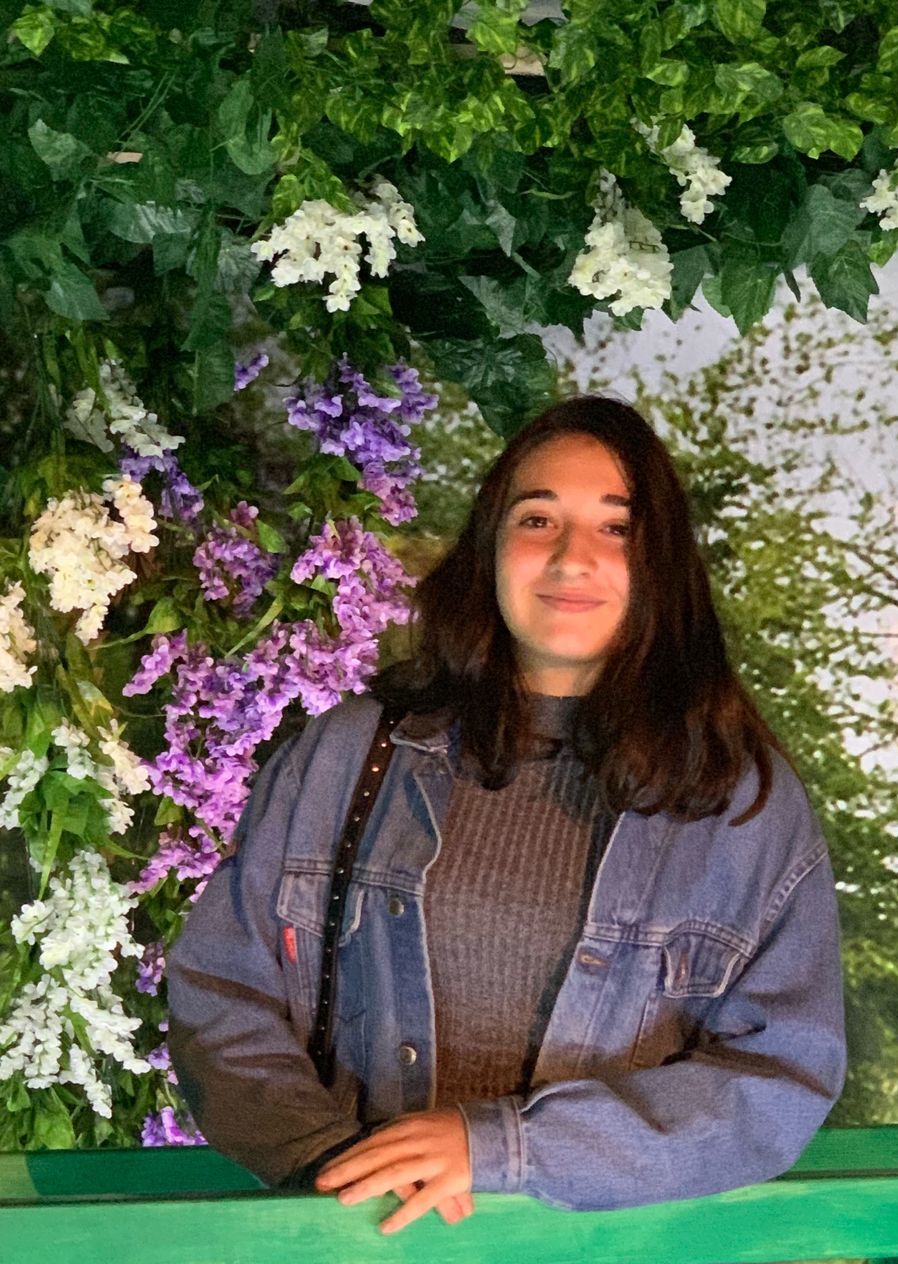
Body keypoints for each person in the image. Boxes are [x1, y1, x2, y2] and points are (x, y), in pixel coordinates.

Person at [167, 394, 847, 1236]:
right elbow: (220, 991)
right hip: (368, 1249)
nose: (571, 557)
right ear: (490, 546)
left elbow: (778, 1081)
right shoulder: (345, 756)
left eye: (617, 529)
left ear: (662, 565)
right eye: (537, 520)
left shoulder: (741, 802)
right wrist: (342, 1166)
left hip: (614, 1256)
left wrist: (500, 1147)